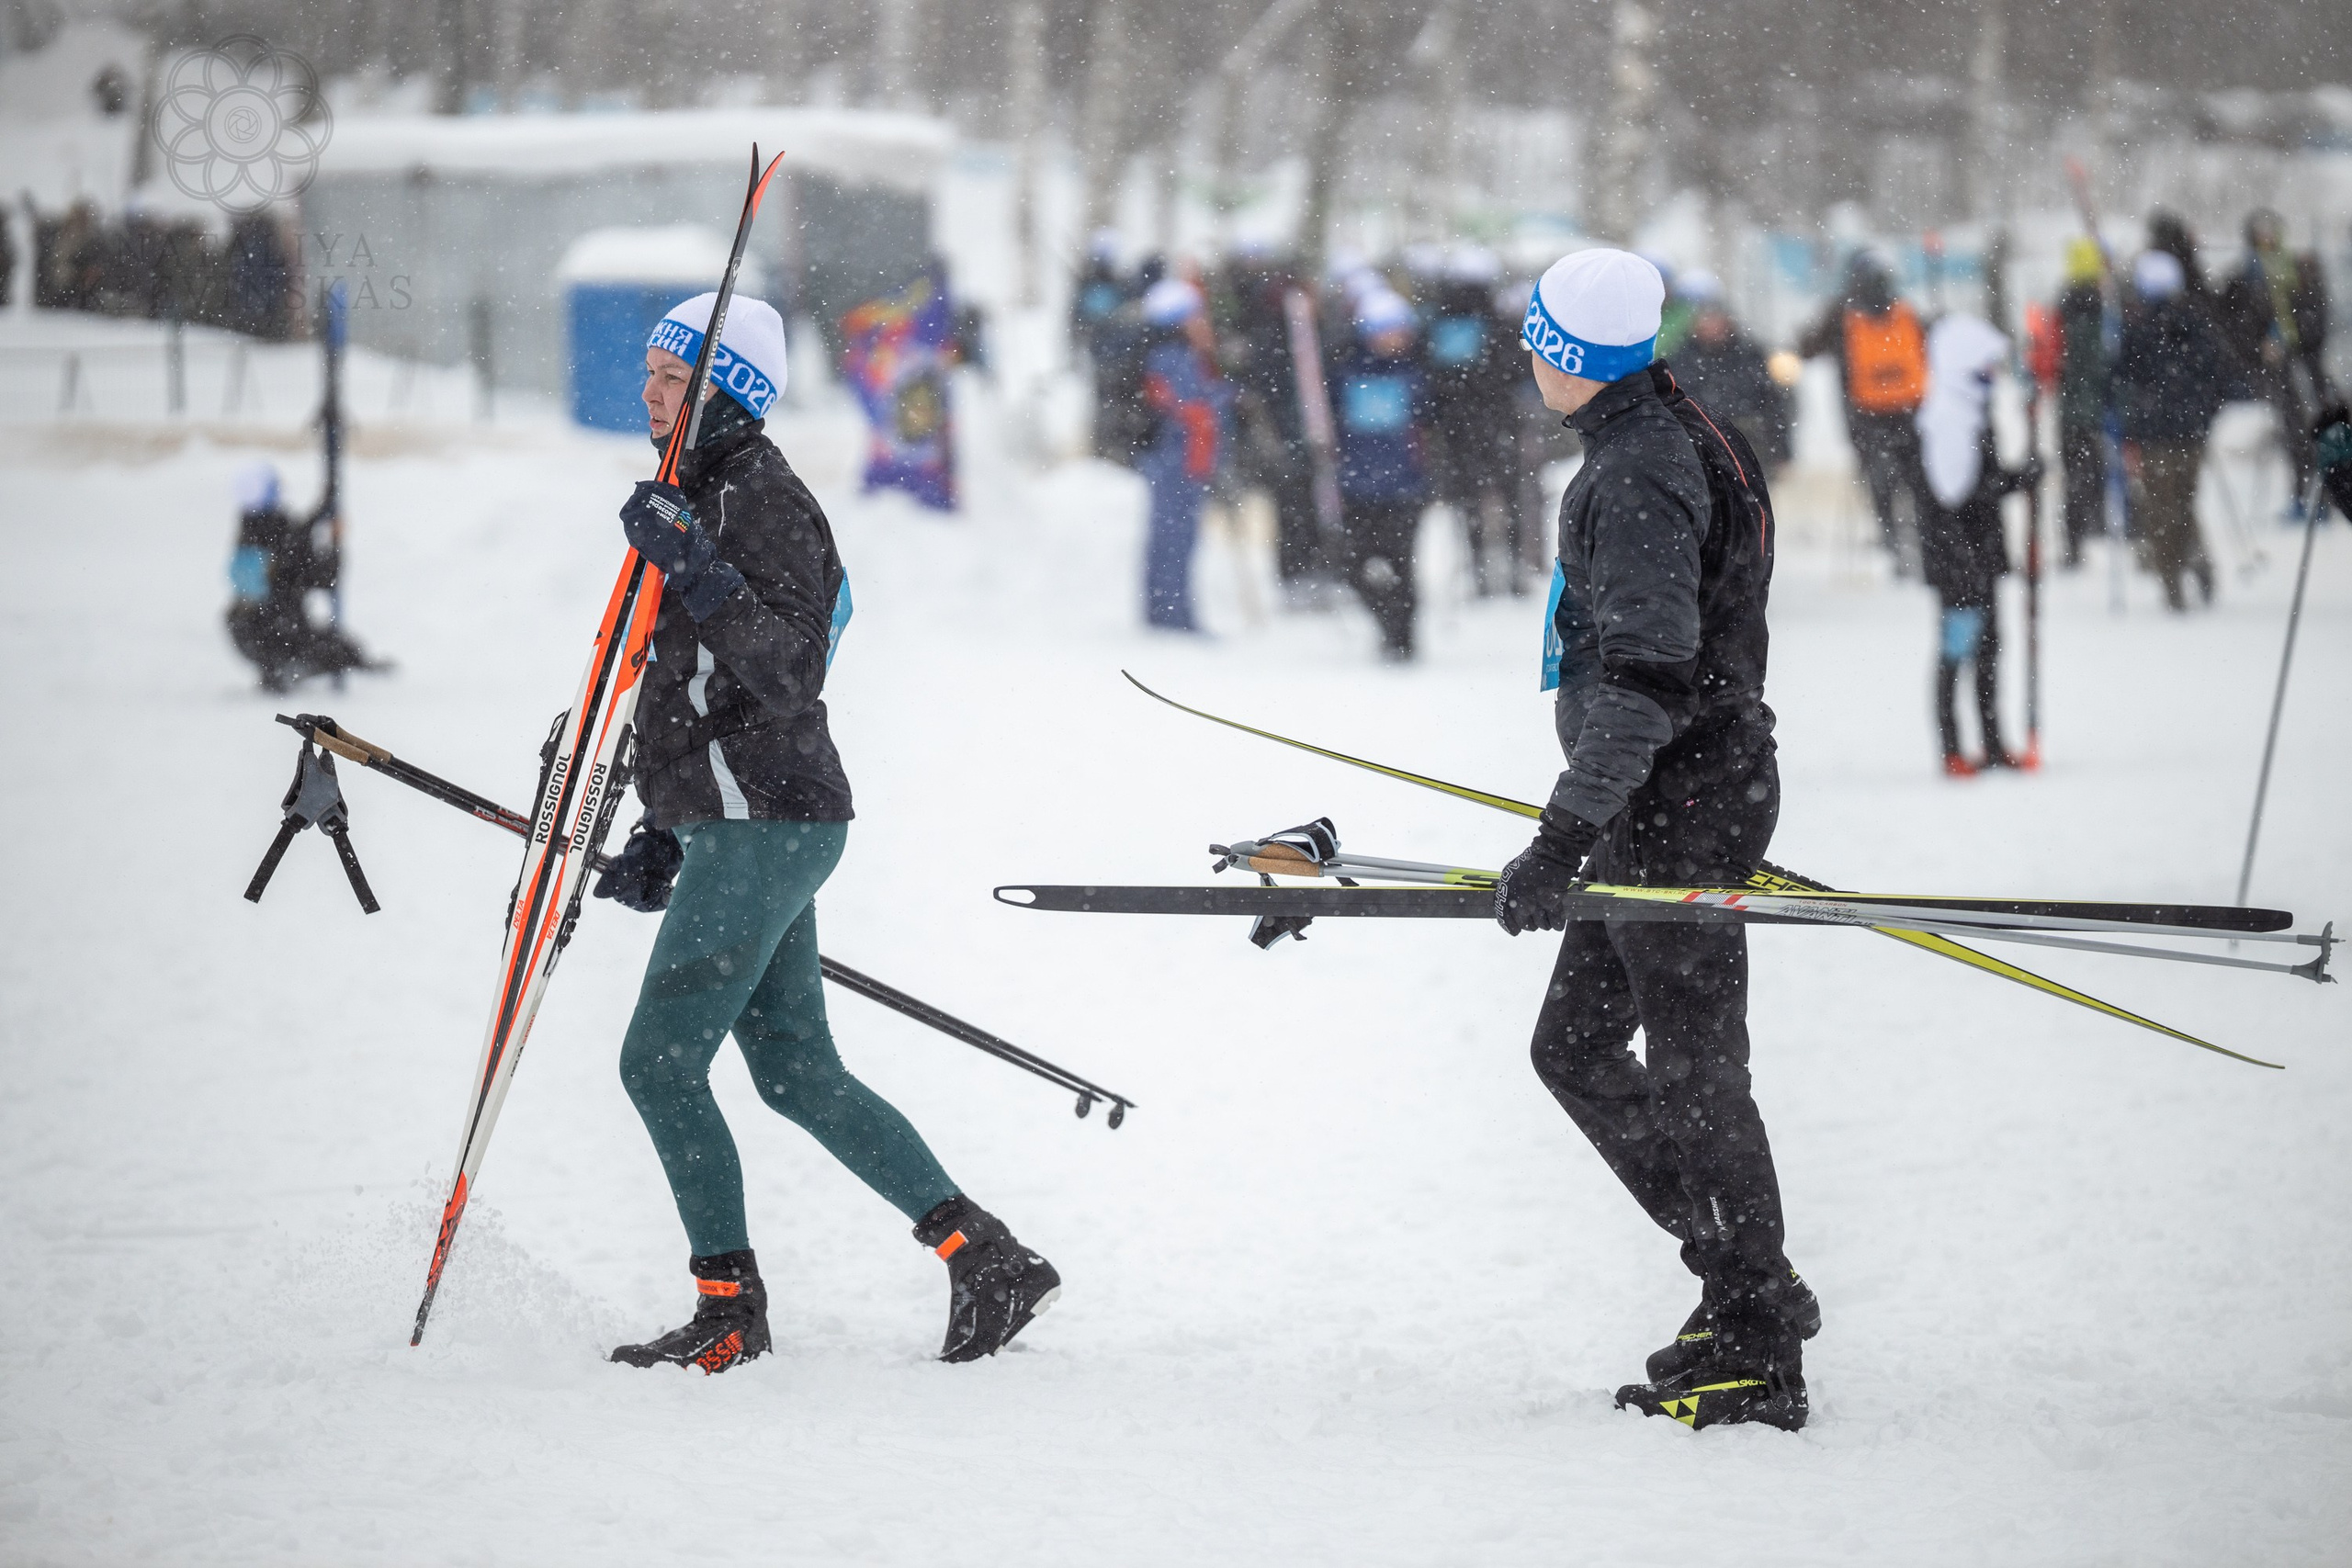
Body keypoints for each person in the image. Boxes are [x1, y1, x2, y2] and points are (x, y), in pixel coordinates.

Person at [595, 292, 1059, 1374]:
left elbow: (789, 668)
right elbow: (678, 684)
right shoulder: (691, 490)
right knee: (795, 1070)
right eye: (653, 375)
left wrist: (698, 571)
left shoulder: (760, 500)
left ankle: (729, 1307)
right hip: (749, 820)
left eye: (678, 380)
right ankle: (984, 1257)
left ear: (730, 395)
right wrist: (665, 829)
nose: (653, 395)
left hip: (769, 817)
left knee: (659, 1066)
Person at [1498, 248, 1815, 1433]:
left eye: (1538, 340)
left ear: (1571, 357)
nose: (1527, 356)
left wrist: (1560, 835)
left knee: (1694, 1076)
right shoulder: (1681, 425)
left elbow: (1645, 677)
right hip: (1673, 795)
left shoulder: (1635, 474)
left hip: (1678, 804)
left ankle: (1757, 1339)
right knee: (1575, 1045)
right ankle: (1746, 1287)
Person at [1916, 315, 2038, 774]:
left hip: (1978, 555)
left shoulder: (1968, 411)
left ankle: (1991, 741)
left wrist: (2015, 478)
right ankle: (1952, 749)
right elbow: (1954, 495)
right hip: (1959, 563)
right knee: (1958, 655)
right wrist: (2014, 480)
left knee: (1988, 653)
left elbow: (1976, 486)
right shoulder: (1947, 417)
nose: (1991, 377)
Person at [1800, 253, 1931, 571]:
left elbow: (1807, 350)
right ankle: (1924, 539)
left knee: (1879, 479)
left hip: (1864, 415)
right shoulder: (1905, 310)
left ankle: (1893, 540)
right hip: (1911, 409)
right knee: (1916, 479)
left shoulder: (1842, 314)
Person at [2114, 251, 2225, 611]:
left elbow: (2120, 377)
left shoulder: (2139, 328)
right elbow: (2217, 374)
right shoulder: (2196, 324)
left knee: (2160, 508)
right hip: (2190, 432)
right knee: (2183, 501)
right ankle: (2197, 558)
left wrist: (2126, 418)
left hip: (2155, 434)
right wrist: (2204, 414)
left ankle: (2173, 581)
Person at [1330, 289, 1434, 660]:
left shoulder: (1414, 374)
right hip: (1357, 486)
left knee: (1401, 564)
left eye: (1402, 332)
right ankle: (1388, 622)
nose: (1397, 340)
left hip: (1403, 488)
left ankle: (1403, 637)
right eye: (1389, 332)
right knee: (1354, 565)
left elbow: (1426, 425)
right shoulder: (1345, 373)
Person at [222, 460, 376, 693]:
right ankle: (288, 669)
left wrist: (319, 514)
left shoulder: (248, 531)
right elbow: (324, 576)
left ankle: (278, 669)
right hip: (284, 634)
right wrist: (334, 541)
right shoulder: (283, 534)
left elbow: (293, 546)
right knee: (345, 653)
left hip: (246, 632)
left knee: (333, 650)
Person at [1422, 246, 1522, 596]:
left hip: (1462, 420)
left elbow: (1435, 375)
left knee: (1474, 495)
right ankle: (1507, 563)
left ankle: (1485, 562)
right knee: (1505, 493)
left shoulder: (1440, 322)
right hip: (1493, 417)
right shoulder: (1493, 320)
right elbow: (1512, 367)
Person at [1129, 277, 1229, 632]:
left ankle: (1167, 611)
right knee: (1175, 539)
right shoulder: (1174, 358)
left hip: (1178, 459)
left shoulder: (1176, 356)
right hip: (1178, 460)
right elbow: (1193, 410)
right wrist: (1224, 398)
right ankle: (1172, 615)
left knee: (1173, 538)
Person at [2218, 209, 2332, 513]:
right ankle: (2300, 494)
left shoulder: (2301, 270)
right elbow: (2232, 326)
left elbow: (2317, 317)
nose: (2266, 238)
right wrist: (2260, 347)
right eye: (2260, 233)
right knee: (2293, 430)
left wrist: (2295, 338)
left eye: (2271, 232)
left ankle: (2322, 494)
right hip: (2274, 370)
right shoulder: (2243, 278)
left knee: (2318, 428)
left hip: (2305, 365)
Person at [1668, 271, 1792, 468]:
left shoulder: (1751, 355)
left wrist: (1782, 448)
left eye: (1714, 318)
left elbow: (1772, 402)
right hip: (1699, 448)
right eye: (1704, 319)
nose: (1709, 325)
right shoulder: (1680, 359)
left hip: (1750, 445)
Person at [2053, 238, 2111, 569]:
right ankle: (2100, 526)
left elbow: (2056, 360)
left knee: (2074, 475)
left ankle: (2074, 540)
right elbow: (2105, 360)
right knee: (2098, 471)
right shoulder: (2106, 307)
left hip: (2070, 407)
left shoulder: (2063, 305)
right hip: (2099, 406)